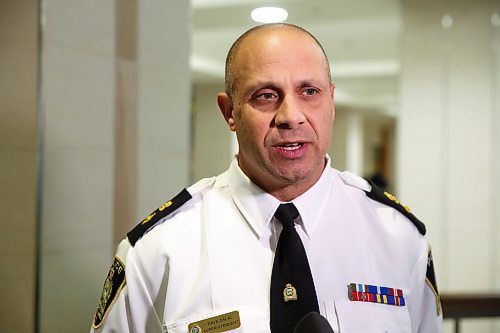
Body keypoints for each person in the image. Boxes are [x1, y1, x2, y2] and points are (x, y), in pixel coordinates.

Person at [90, 23, 442, 333]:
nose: (290, 116)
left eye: (309, 92)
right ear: (229, 112)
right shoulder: (158, 252)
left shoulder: (398, 238)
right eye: (266, 96)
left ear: (331, 102)